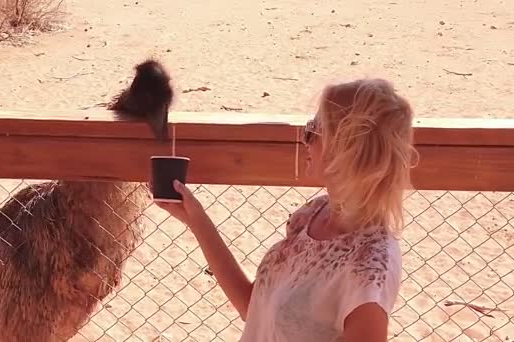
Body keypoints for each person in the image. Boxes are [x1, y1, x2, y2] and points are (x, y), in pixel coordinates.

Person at [154, 78, 418, 341]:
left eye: (313, 129)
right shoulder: (312, 216)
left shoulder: (370, 263)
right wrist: (196, 219)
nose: (305, 140)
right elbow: (253, 307)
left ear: (346, 147)